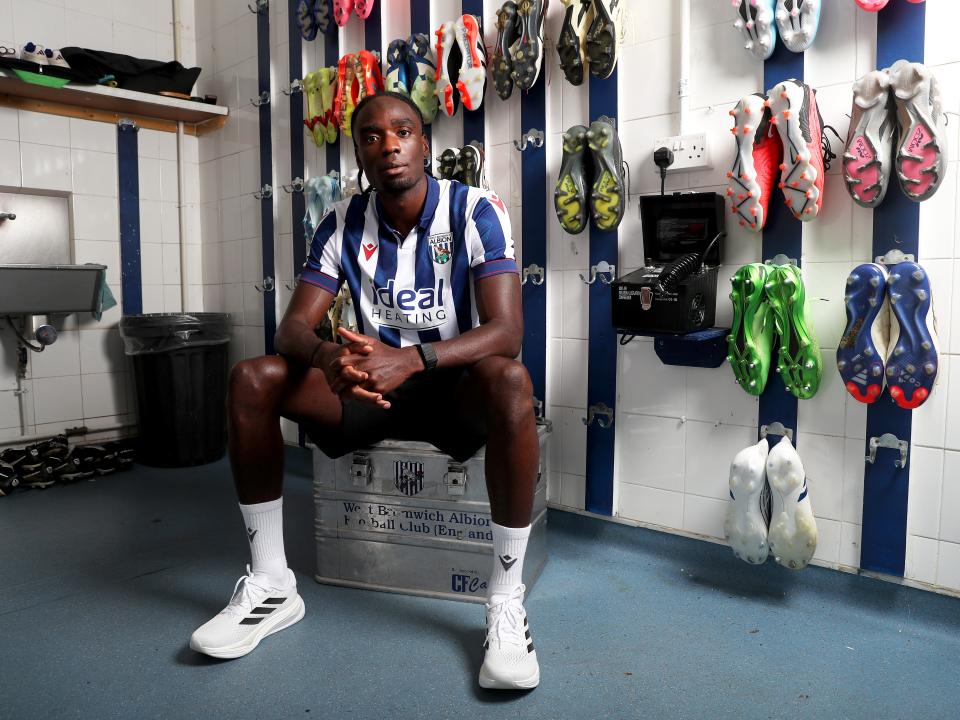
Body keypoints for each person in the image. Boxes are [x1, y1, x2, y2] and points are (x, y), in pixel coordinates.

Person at [189, 92, 541, 691]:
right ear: (359, 153)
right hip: (370, 388)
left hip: (448, 389)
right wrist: (329, 357)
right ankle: (273, 584)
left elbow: (506, 333)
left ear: (425, 142)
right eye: (372, 136)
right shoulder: (343, 222)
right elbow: (291, 329)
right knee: (253, 377)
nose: (389, 145)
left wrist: (414, 358)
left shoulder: (477, 210)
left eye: (402, 131)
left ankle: (506, 602)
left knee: (510, 381)